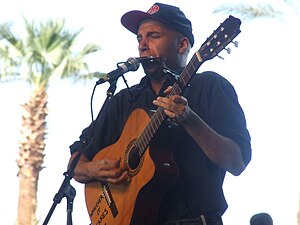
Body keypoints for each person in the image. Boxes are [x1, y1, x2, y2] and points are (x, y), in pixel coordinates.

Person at [68, 2, 252, 225]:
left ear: (182, 45)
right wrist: (91, 168)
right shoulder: (124, 100)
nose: (142, 45)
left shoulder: (211, 87)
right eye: (139, 38)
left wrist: (190, 120)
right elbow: (75, 164)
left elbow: (236, 162)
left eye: (153, 36)